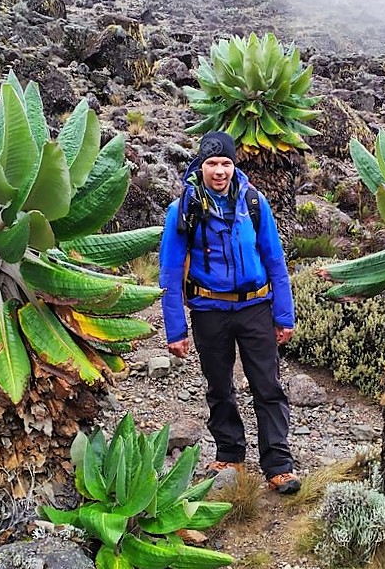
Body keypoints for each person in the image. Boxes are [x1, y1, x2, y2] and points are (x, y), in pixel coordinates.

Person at [158, 131, 300, 495]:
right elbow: (170, 273)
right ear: (200, 166)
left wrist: (284, 314)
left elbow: (274, 258)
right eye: (212, 164)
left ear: (234, 165)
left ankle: (279, 464)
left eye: (226, 163)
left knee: (267, 386)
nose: (219, 171)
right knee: (219, 385)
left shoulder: (253, 201)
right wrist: (176, 329)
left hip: (256, 306)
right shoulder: (183, 209)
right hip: (209, 310)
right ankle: (230, 453)